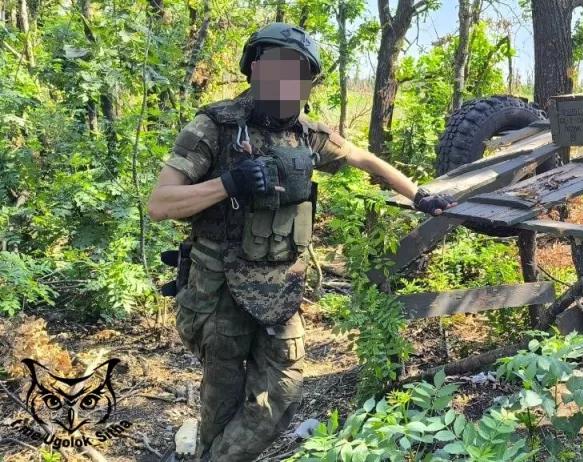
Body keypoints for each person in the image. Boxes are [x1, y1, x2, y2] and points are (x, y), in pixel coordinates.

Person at [146, 23, 456, 461]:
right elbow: (160, 203)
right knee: (222, 400)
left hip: (280, 291)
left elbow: (362, 157)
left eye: (299, 72)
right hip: (219, 293)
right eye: (278, 68)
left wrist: (418, 193)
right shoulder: (214, 126)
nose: (287, 81)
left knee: (281, 394)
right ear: (255, 67)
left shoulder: (306, 133)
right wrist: (228, 183)